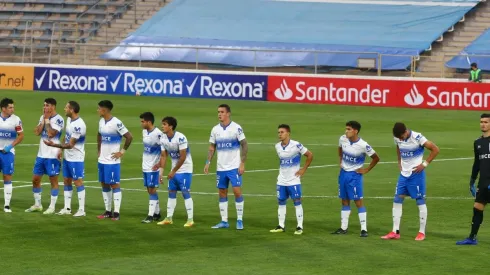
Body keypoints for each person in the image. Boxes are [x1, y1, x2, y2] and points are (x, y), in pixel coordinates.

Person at [381, 122, 439, 241]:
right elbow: (398, 148)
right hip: (404, 174)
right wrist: (399, 162)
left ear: (406, 131)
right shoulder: (397, 138)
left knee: (420, 200)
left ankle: (421, 232)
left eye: (401, 137)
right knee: (397, 199)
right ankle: (395, 231)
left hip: (416, 174)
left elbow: (435, 149)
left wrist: (424, 164)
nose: (400, 139)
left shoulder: (418, 137)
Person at [331, 121, 379, 237]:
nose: (346, 131)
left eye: (348, 129)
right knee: (344, 200)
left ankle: (364, 229)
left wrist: (366, 170)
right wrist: (340, 160)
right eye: (346, 129)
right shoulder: (342, 139)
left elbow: (376, 158)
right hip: (343, 174)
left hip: (354, 176)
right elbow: (340, 149)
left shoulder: (363, 145)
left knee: (358, 202)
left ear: (355, 131)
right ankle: (343, 228)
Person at [204, 104, 248, 230]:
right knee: (222, 192)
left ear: (228, 113)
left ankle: (239, 219)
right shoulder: (215, 130)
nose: (219, 114)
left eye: (222, 112)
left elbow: (244, 145)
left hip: (234, 166)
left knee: (236, 191)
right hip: (221, 167)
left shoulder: (236, 128)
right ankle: (224, 221)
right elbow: (212, 147)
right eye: (218, 112)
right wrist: (208, 162)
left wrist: (242, 162)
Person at [43, 101, 86, 217]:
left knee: (77, 181)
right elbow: (67, 139)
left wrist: (54, 145)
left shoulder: (79, 125)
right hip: (68, 157)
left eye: (66, 107)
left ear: (72, 110)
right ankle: (67, 208)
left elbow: (71, 144)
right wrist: (60, 150)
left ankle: (82, 210)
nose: (64, 109)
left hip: (76, 158)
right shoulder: (69, 120)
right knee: (67, 181)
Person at [269, 124, 313, 235]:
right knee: (281, 202)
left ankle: (299, 227)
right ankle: (281, 226)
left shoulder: (296, 145)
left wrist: (303, 169)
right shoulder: (277, 146)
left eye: (282, 132)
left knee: (297, 201)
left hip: (294, 180)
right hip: (281, 180)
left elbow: (310, 155)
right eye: (278, 132)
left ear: (288, 133)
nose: (280, 134)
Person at [26, 98, 64, 214]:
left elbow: (51, 134)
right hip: (41, 155)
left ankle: (52, 207)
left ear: (53, 107)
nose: (44, 107)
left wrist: (47, 119)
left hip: (52, 155)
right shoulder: (42, 117)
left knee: (53, 181)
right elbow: (37, 132)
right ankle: (38, 204)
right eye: (44, 105)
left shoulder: (59, 119)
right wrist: (43, 120)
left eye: (47, 105)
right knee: (35, 179)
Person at [456, 113, 490, 245]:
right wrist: (472, 180)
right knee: (477, 208)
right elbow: (477, 163)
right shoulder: (478, 142)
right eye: (481, 122)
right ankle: (472, 238)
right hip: (483, 182)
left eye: (486, 122)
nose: (483, 124)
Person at [96, 100, 133, 221]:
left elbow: (129, 136)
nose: (97, 110)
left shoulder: (116, 122)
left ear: (105, 110)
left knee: (114, 184)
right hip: (102, 159)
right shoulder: (101, 121)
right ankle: (108, 211)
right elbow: (99, 135)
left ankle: (116, 213)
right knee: (104, 183)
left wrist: (121, 152)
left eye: (99, 108)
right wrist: (99, 150)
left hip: (112, 161)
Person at [157, 116, 194, 227]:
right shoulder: (163, 138)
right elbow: (163, 156)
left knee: (185, 192)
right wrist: (161, 172)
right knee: (171, 192)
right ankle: (169, 218)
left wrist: (173, 171)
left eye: (164, 124)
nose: (162, 126)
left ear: (171, 126)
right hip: (175, 169)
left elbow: (182, 157)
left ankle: (190, 219)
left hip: (185, 169)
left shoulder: (180, 137)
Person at [0, 98, 24, 212]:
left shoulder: (16, 120)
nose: (12, 109)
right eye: (10, 107)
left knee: (7, 176)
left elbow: (21, 136)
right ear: (3, 108)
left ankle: (7, 205)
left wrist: (10, 146)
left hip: (8, 153)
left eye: (13, 107)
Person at [139, 112, 163, 223]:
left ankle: (150, 216)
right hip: (145, 165)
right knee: (149, 190)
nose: (141, 123)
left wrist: (160, 165)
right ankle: (157, 213)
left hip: (153, 167)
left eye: (143, 121)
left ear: (149, 122)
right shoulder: (144, 131)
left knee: (152, 190)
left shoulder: (158, 134)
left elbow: (164, 150)